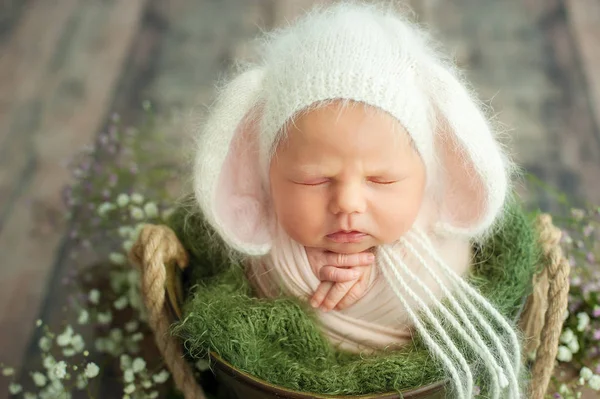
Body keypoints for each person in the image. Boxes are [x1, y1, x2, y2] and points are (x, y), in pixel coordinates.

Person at [193, 2, 521, 398]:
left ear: (428, 178)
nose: (347, 203)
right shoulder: (266, 246)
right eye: (313, 180)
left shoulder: (435, 238)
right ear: (266, 180)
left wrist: (377, 277)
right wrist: (308, 275)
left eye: (381, 180)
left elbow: (444, 274)